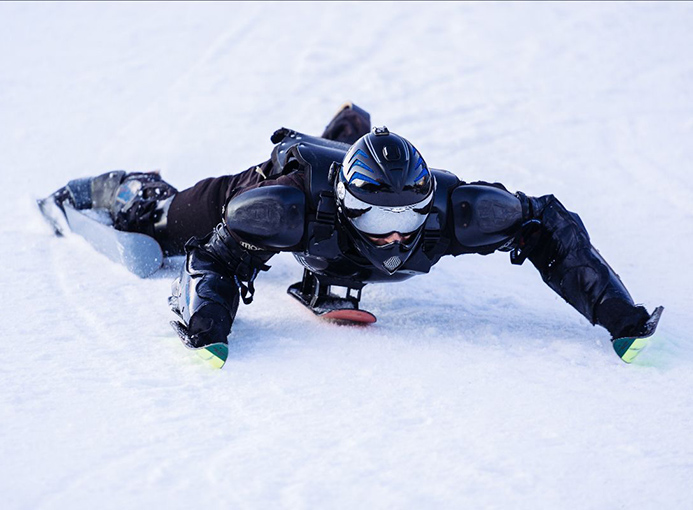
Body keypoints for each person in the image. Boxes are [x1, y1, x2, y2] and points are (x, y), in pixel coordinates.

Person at [40, 103, 662, 362]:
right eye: (372, 218)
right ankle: (108, 189)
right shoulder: (278, 209)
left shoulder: (458, 209)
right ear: (345, 206)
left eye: (407, 218)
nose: (392, 236)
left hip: (332, 197)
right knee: (173, 219)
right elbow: (217, 258)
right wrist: (209, 328)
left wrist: (619, 316)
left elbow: (547, 223)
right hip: (281, 180)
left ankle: (346, 130)